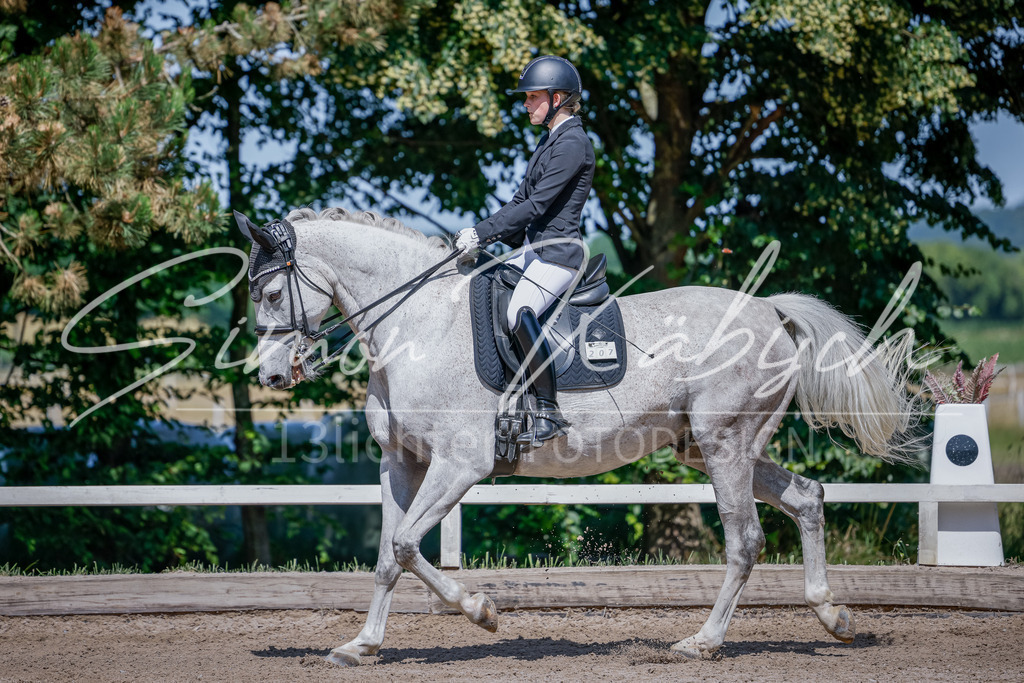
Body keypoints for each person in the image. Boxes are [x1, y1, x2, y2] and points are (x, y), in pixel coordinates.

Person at [455, 55, 596, 447]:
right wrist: (481, 242)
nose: (525, 105)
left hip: (558, 256)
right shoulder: (549, 140)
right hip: (534, 250)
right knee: (481, 279)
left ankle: (549, 410)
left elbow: (535, 208)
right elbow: (520, 200)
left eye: (532, 97)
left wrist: (482, 233)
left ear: (559, 98)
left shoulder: (573, 143)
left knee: (520, 311)